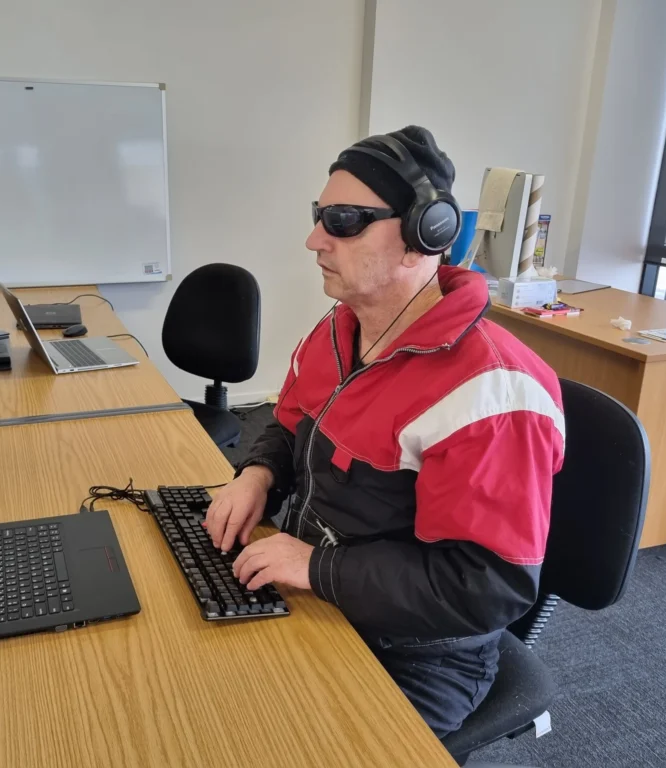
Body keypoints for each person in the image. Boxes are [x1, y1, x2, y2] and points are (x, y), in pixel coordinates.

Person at [205, 126, 565, 738]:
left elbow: (486, 587)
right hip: (319, 591)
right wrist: (258, 475)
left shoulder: (492, 395)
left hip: (420, 655)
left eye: (344, 221)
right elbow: (290, 425)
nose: (314, 239)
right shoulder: (339, 329)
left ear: (425, 235)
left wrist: (316, 567)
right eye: (319, 215)